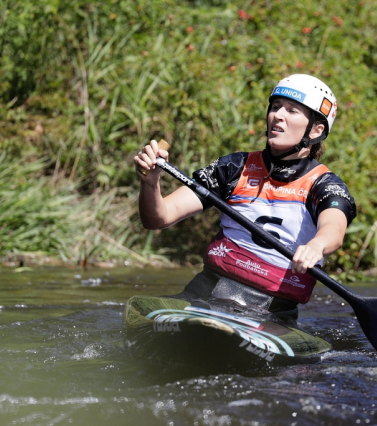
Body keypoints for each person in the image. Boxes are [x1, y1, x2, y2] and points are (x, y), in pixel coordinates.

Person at [133, 74, 356, 321]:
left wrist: (316, 245)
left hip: (272, 311)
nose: (277, 116)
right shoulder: (234, 167)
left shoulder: (326, 185)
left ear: (316, 129)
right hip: (204, 292)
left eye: (292, 111)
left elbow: (334, 230)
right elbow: (158, 218)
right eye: (275, 107)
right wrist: (150, 181)